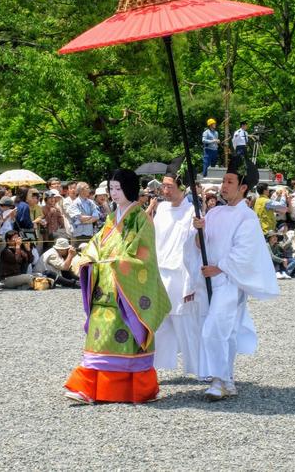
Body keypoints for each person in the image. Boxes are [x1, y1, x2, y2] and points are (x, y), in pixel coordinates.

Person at [64, 168, 171, 404]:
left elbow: (144, 256)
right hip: (104, 286)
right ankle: (88, 388)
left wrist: (119, 264)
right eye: (111, 189)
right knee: (98, 336)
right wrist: (87, 257)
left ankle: (137, 390)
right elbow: (97, 243)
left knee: (123, 339)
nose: (114, 193)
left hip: (125, 290)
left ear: (129, 189)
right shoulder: (112, 218)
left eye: (118, 188)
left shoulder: (141, 219)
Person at [192, 156, 279, 400]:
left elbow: (244, 252)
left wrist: (218, 267)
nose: (224, 186)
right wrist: (199, 229)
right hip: (212, 279)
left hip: (230, 280)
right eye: (224, 181)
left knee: (215, 328)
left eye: (230, 181)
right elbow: (201, 244)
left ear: (242, 187)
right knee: (225, 331)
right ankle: (227, 380)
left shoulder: (247, 217)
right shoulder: (216, 212)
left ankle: (218, 380)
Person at [153, 173, 199, 375]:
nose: (165, 190)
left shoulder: (192, 211)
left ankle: (199, 367)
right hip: (160, 270)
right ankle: (156, 366)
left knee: (185, 321)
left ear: (183, 187)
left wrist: (191, 281)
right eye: (164, 186)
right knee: (160, 321)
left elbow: (193, 245)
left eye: (169, 186)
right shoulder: (161, 208)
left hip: (180, 271)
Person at [67, 182, 100, 247]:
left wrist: (85, 220)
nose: (89, 190)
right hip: (79, 234)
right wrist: (91, 218)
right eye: (87, 188)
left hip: (90, 233)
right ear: (82, 190)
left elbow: (97, 216)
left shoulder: (91, 202)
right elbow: (80, 218)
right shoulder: (74, 203)